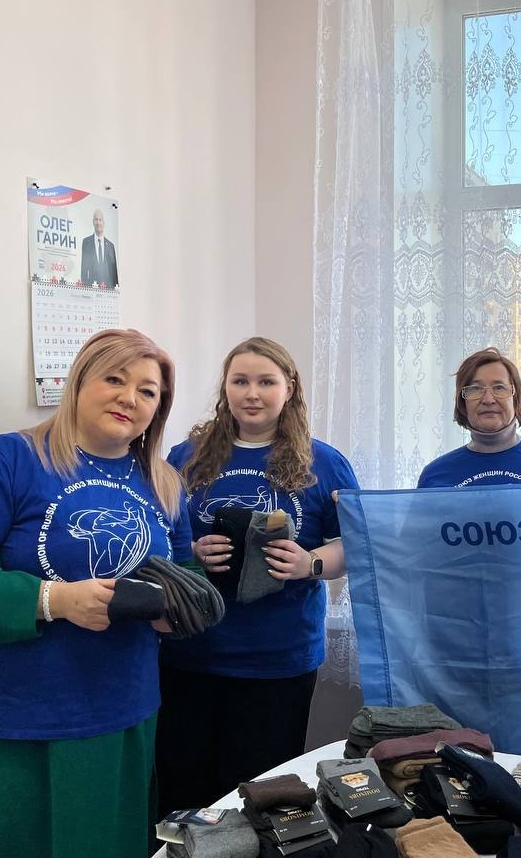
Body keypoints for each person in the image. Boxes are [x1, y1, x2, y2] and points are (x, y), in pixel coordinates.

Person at [0, 328, 190, 858]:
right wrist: (53, 601)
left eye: (147, 391)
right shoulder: (12, 459)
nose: (129, 398)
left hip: (123, 712)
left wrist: (174, 613)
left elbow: (186, 578)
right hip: (19, 719)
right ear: (78, 381)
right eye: (114, 379)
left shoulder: (164, 482)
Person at [155, 337, 357, 814]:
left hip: (278, 660)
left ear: (290, 388)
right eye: (240, 381)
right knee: (185, 795)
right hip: (191, 654)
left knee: (261, 798)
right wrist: (192, 553)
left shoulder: (324, 462)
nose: (252, 393)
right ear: (225, 388)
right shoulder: (186, 456)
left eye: (266, 382)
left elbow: (357, 544)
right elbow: (157, 538)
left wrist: (309, 563)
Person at [417, 346, 521, 487]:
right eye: (475, 389)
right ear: (463, 403)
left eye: (499, 388)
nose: (488, 399)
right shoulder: (435, 476)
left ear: (516, 399)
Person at [80, 208, 119, 287]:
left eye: (100, 220)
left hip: (108, 290)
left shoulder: (111, 246)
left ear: (103, 223)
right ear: (93, 222)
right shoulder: (86, 242)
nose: (98, 222)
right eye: (96, 220)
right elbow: (84, 271)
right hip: (91, 288)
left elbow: (114, 275)